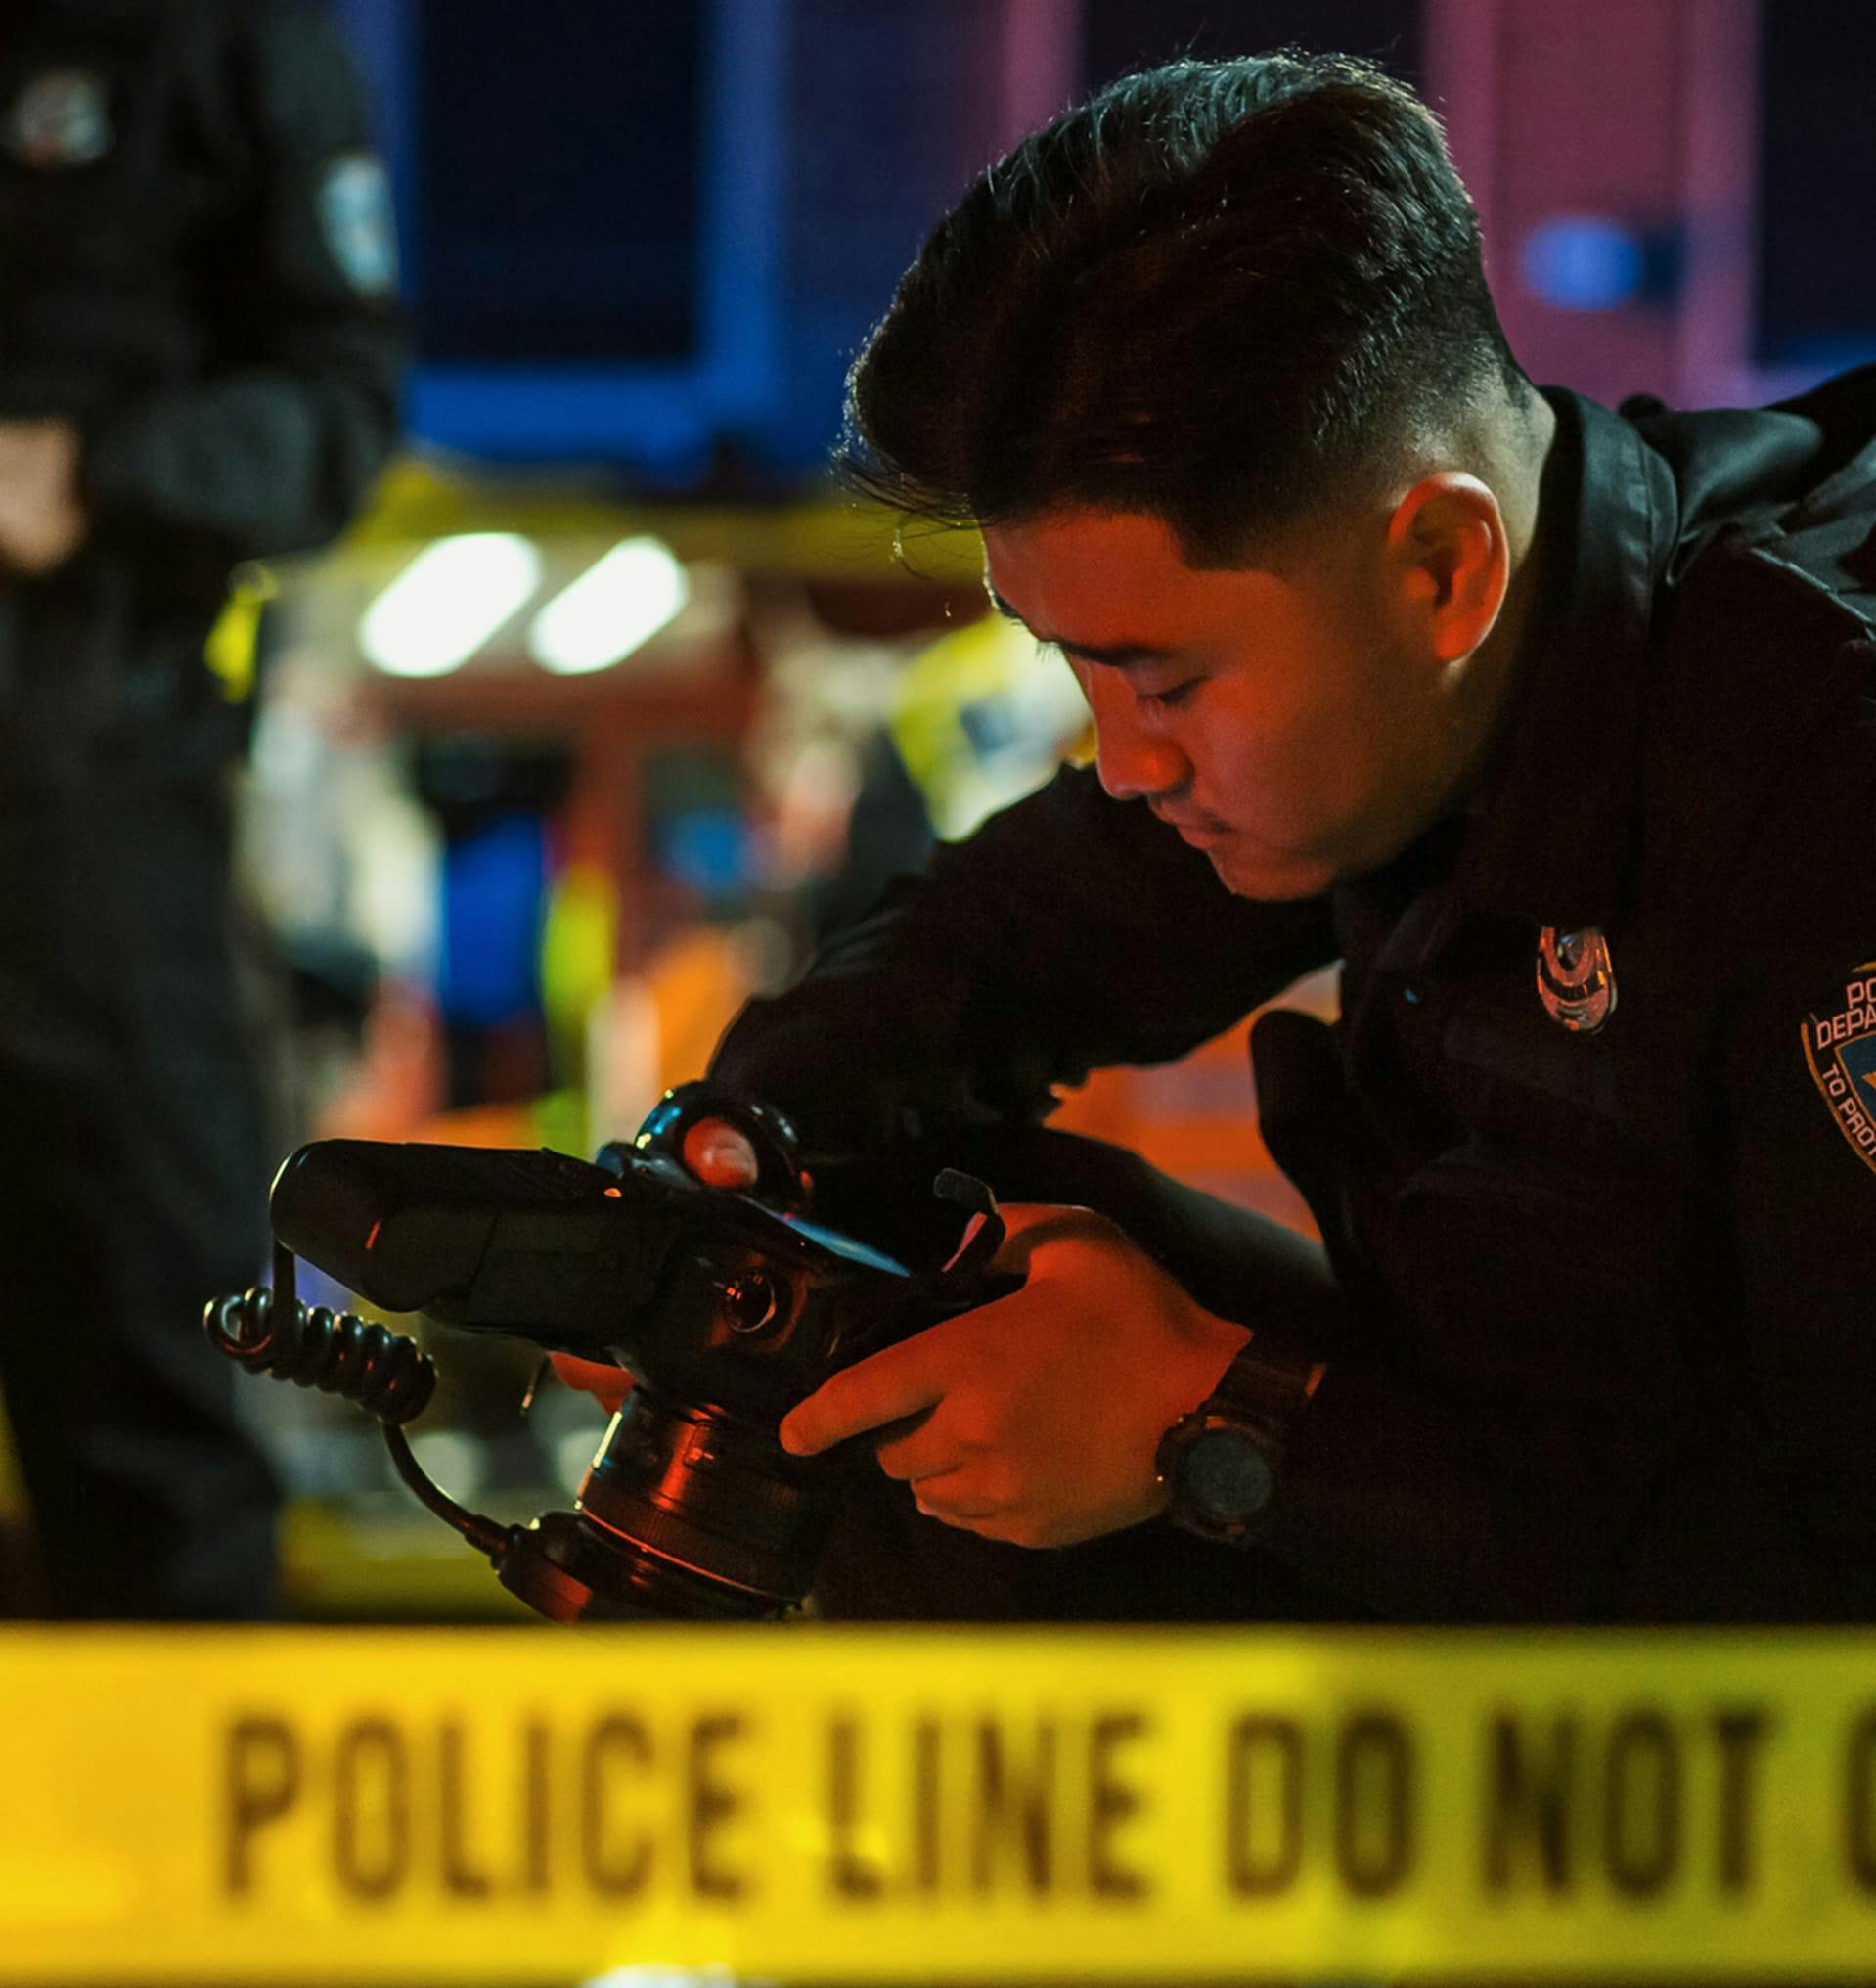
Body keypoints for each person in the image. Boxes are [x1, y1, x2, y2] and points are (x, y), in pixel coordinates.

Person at [670, 53, 1876, 1625]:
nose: (1118, 764)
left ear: (1440, 564)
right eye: (1073, 669)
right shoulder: (1397, 691)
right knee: (901, 1286)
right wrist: (728, 1161)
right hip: (1561, 1589)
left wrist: (1228, 1430)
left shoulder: (1815, 793)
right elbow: (1003, 946)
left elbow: (1833, 1570)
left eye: (1159, 678)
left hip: (1769, 1731)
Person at [0, 0, 401, 1616]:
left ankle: (177, 1866)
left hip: (79, 802)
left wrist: (84, 472)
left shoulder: (221, 42)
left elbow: (340, 416)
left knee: (151, 1418)